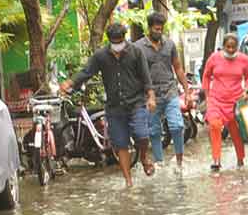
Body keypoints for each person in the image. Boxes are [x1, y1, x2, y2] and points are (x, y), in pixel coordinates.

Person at [60, 22, 156, 186]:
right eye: (114, 42)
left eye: (120, 41)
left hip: (136, 103)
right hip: (114, 107)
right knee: (120, 144)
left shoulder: (136, 52)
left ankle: (144, 156)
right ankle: (128, 181)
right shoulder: (101, 56)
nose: (117, 45)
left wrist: (151, 97)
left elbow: (146, 78)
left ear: (124, 39)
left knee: (142, 134)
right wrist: (70, 83)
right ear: (109, 40)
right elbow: (86, 72)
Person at [136, 11, 191, 168]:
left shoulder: (169, 45)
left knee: (177, 125)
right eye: (155, 29)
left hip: (170, 90)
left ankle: (179, 160)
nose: (158, 32)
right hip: (150, 94)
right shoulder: (138, 47)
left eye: (161, 29)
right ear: (149, 28)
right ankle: (160, 162)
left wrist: (186, 91)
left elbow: (178, 68)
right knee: (154, 130)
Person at [202, 34, 248, 172]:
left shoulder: (244, 60)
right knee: (214, 125)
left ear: (237, 47)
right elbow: (206, 76)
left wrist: (247, 89)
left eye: (233, 47)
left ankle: (240, 160)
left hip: (235, 102)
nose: (230, 49)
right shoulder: (214, 58)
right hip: (216, 100)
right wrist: (207, 96)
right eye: (228, 47)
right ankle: (216, 160)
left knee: (236, 132)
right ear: (223, 46)